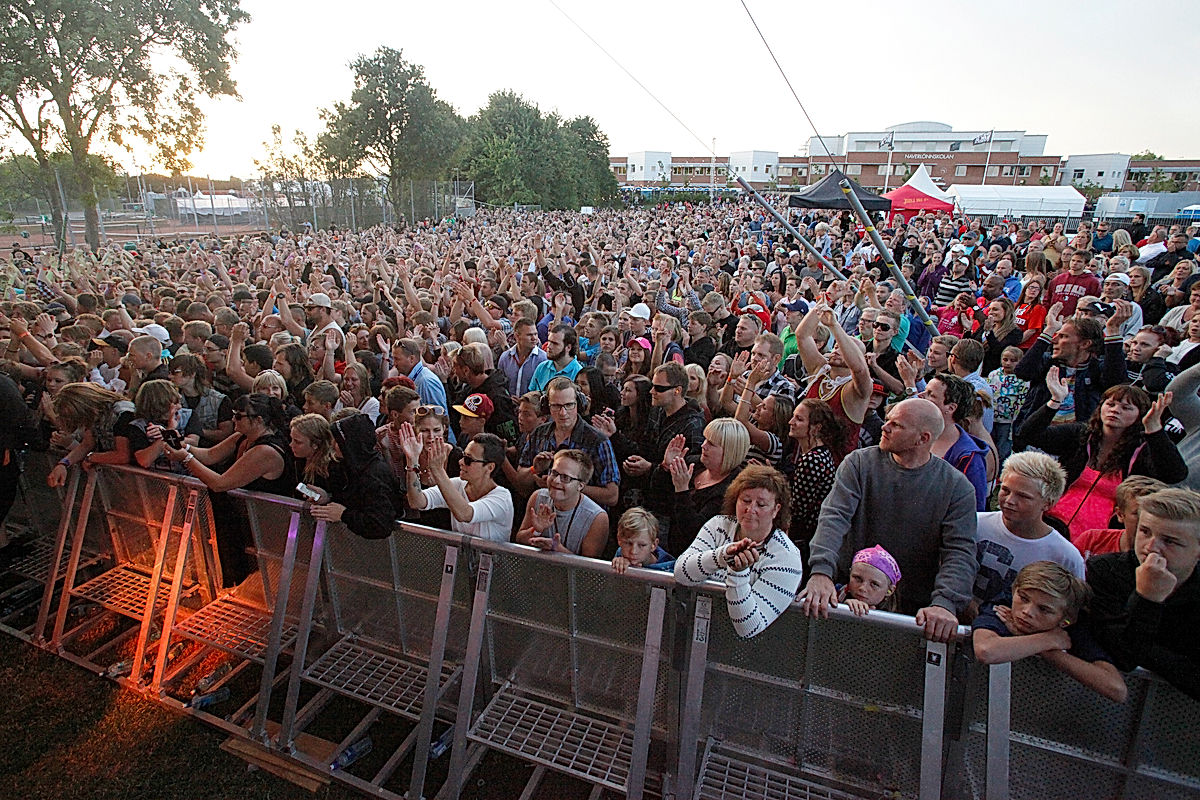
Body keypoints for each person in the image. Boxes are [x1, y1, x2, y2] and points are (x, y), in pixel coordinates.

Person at [802, 398, 978, 642]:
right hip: (849, 597)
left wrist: (945, 603)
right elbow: (834, 516)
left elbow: (960, 551)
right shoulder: (859, 463)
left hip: (911, 611)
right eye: (887, 420)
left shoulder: (957, 488)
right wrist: (821, 572)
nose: (884, 428)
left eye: (896, 425)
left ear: (923, 438)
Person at [1018, 375, 1186, 540]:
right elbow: (1029, 434)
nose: (1115, 410)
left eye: (1126, 408)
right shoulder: (1082, 435)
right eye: (1110, 404)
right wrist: (1055, 401)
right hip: (1051, 524)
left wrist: (1155, 430)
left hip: (1103, 538)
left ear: (1139, 415)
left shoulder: (1143, 450)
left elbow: (1175, 474)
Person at [163, 393, 296, 585]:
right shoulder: (243, 436)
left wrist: (185, 458)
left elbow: (220, 483)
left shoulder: (266, 451)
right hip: (242, 521)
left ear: (258, 420)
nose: (233, 419)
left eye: (239, 416)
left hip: (267, 526)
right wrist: (183, 446)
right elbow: (210, 455)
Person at [1086, 487, 1200, 699]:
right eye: (1145, 531)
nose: (1151, 547)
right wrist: (1147, 599)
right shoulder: (1104, 571)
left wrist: (1147, 652)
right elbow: (1123, 656)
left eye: (1169, 541)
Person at [674, 464, 804, 639]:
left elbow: (749, 626)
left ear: (776, 510)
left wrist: (738, 572)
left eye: (761, 504)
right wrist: (722, 556)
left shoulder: (787, 558)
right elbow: (681, 573)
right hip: (700, 634)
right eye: (746, 500)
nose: (751, 510)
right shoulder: (718, 525)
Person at [973, 562, 1127, 703]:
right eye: (1023, 598)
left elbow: (1117, 689)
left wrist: (1049, 652)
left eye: (1044, 609)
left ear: (1066, 620)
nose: (1027, 612)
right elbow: (986, 650)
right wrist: (1048, 640)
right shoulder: (1003, 609)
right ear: (1014, 590)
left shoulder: (1076, 630)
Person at [973, 452, 1084, 607]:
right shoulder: (975, 524)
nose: (1010, 500)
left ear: (1048, 503)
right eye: (1005, 490)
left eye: (1023, 496)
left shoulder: (1064, 556)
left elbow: (1071, 610)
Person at [518, 377, 620, 508]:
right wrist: (534, 470)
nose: (563, 413)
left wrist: (564, 486)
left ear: (579, 404)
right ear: (546, 407)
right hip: (545, 513)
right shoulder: (539, 434)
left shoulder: (597, 441)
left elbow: (612, 495)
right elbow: (520, 480)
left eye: (569, 405)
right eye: (556, 406)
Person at [293, 413, 397, 539]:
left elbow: (380, 524)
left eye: (338, 442)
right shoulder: (351, 466)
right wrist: (327, 498)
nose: (333, 445)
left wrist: (344, 515)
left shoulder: (375, 474)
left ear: (351, 444)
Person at [400, 427, 512, 542]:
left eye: (468, 460)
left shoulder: (502, 498)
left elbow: (465, 514)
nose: (461, 462)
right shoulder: (458, 484)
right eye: (463, 456)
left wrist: (438, 471)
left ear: (490, 467)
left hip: (492, 560)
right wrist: (412, 462)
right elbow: (417, 501)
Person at [661, 418, 750, 557]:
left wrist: (682, 489)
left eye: (711, 444)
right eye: (705, 439)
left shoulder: (731, 490)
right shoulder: (695, 464)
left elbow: (694, 532)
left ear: (729, 451)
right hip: (669, 544)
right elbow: (656, 495)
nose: (703, 445)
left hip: (696, 558)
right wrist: (666, 467)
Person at [516, 449, 609, 557]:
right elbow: (519, 540)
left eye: (565, 478)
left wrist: (556, 548)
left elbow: (589, 570)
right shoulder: (538, 497)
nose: (556, 481)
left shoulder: (597, 517)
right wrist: (536, 530)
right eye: (554, 473)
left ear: (580, 485)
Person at [922, 373, 990, 511]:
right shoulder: (914, 436)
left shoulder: (969, 458)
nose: (921, 395)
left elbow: (974, 510)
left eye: (931, 394)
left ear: (951, 408)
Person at [46, 383, 136, 487]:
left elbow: (123, 455)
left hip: (137, 476)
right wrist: (63, 464)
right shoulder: (94, 416)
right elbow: (87, 444)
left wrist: (92, 457)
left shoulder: (122, 412)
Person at [1073, 476, 1168, 560]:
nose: (1144, 520)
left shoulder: (1164, 556)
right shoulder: (1091, 540)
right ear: (1120, 514)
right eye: (1137, 513)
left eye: (1151, 515)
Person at [168, 353, 233, 447]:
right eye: (169, 372)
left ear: (192, 373)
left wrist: (195, 431)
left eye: (175, 372)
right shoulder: (171, 399)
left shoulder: (219, 400)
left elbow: (226, 434)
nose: (170, 377)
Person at [986, 346, 1029, 464]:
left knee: (1003, 449)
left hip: (1008, 421)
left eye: (1013, 360)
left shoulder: (1022, 379)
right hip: (992, 417)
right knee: (990, 446)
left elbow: (1021, 402)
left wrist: (1015, 422)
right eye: (1005, 359)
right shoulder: (993, 375)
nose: (1008, 363)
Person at [838, 545, 902, 616]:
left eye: (874, 584)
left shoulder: (897, 619)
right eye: (858, 578)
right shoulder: (832, 593)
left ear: (890, 590)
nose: (863, 588)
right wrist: (841, 608)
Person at [611, 507, 674, 573]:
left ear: (654, 545)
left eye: (642, 545)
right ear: (619, 540)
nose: (633, 551)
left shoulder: (669, 569)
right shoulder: (620, 554)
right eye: (628, 543)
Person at [497, 318, 547, 397]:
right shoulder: (505, 357)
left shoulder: (543, 359)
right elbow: (500, 385)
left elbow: (543, 390)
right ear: (517, 336)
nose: (534, 338)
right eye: (529, 335)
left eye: (535, 334)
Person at [528, 324, 583, 392]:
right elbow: (531, 395)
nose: (549, 346)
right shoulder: (542, 367)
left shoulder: (578, 373)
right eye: (549, 341)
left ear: (568, 347)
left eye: (555, 343)